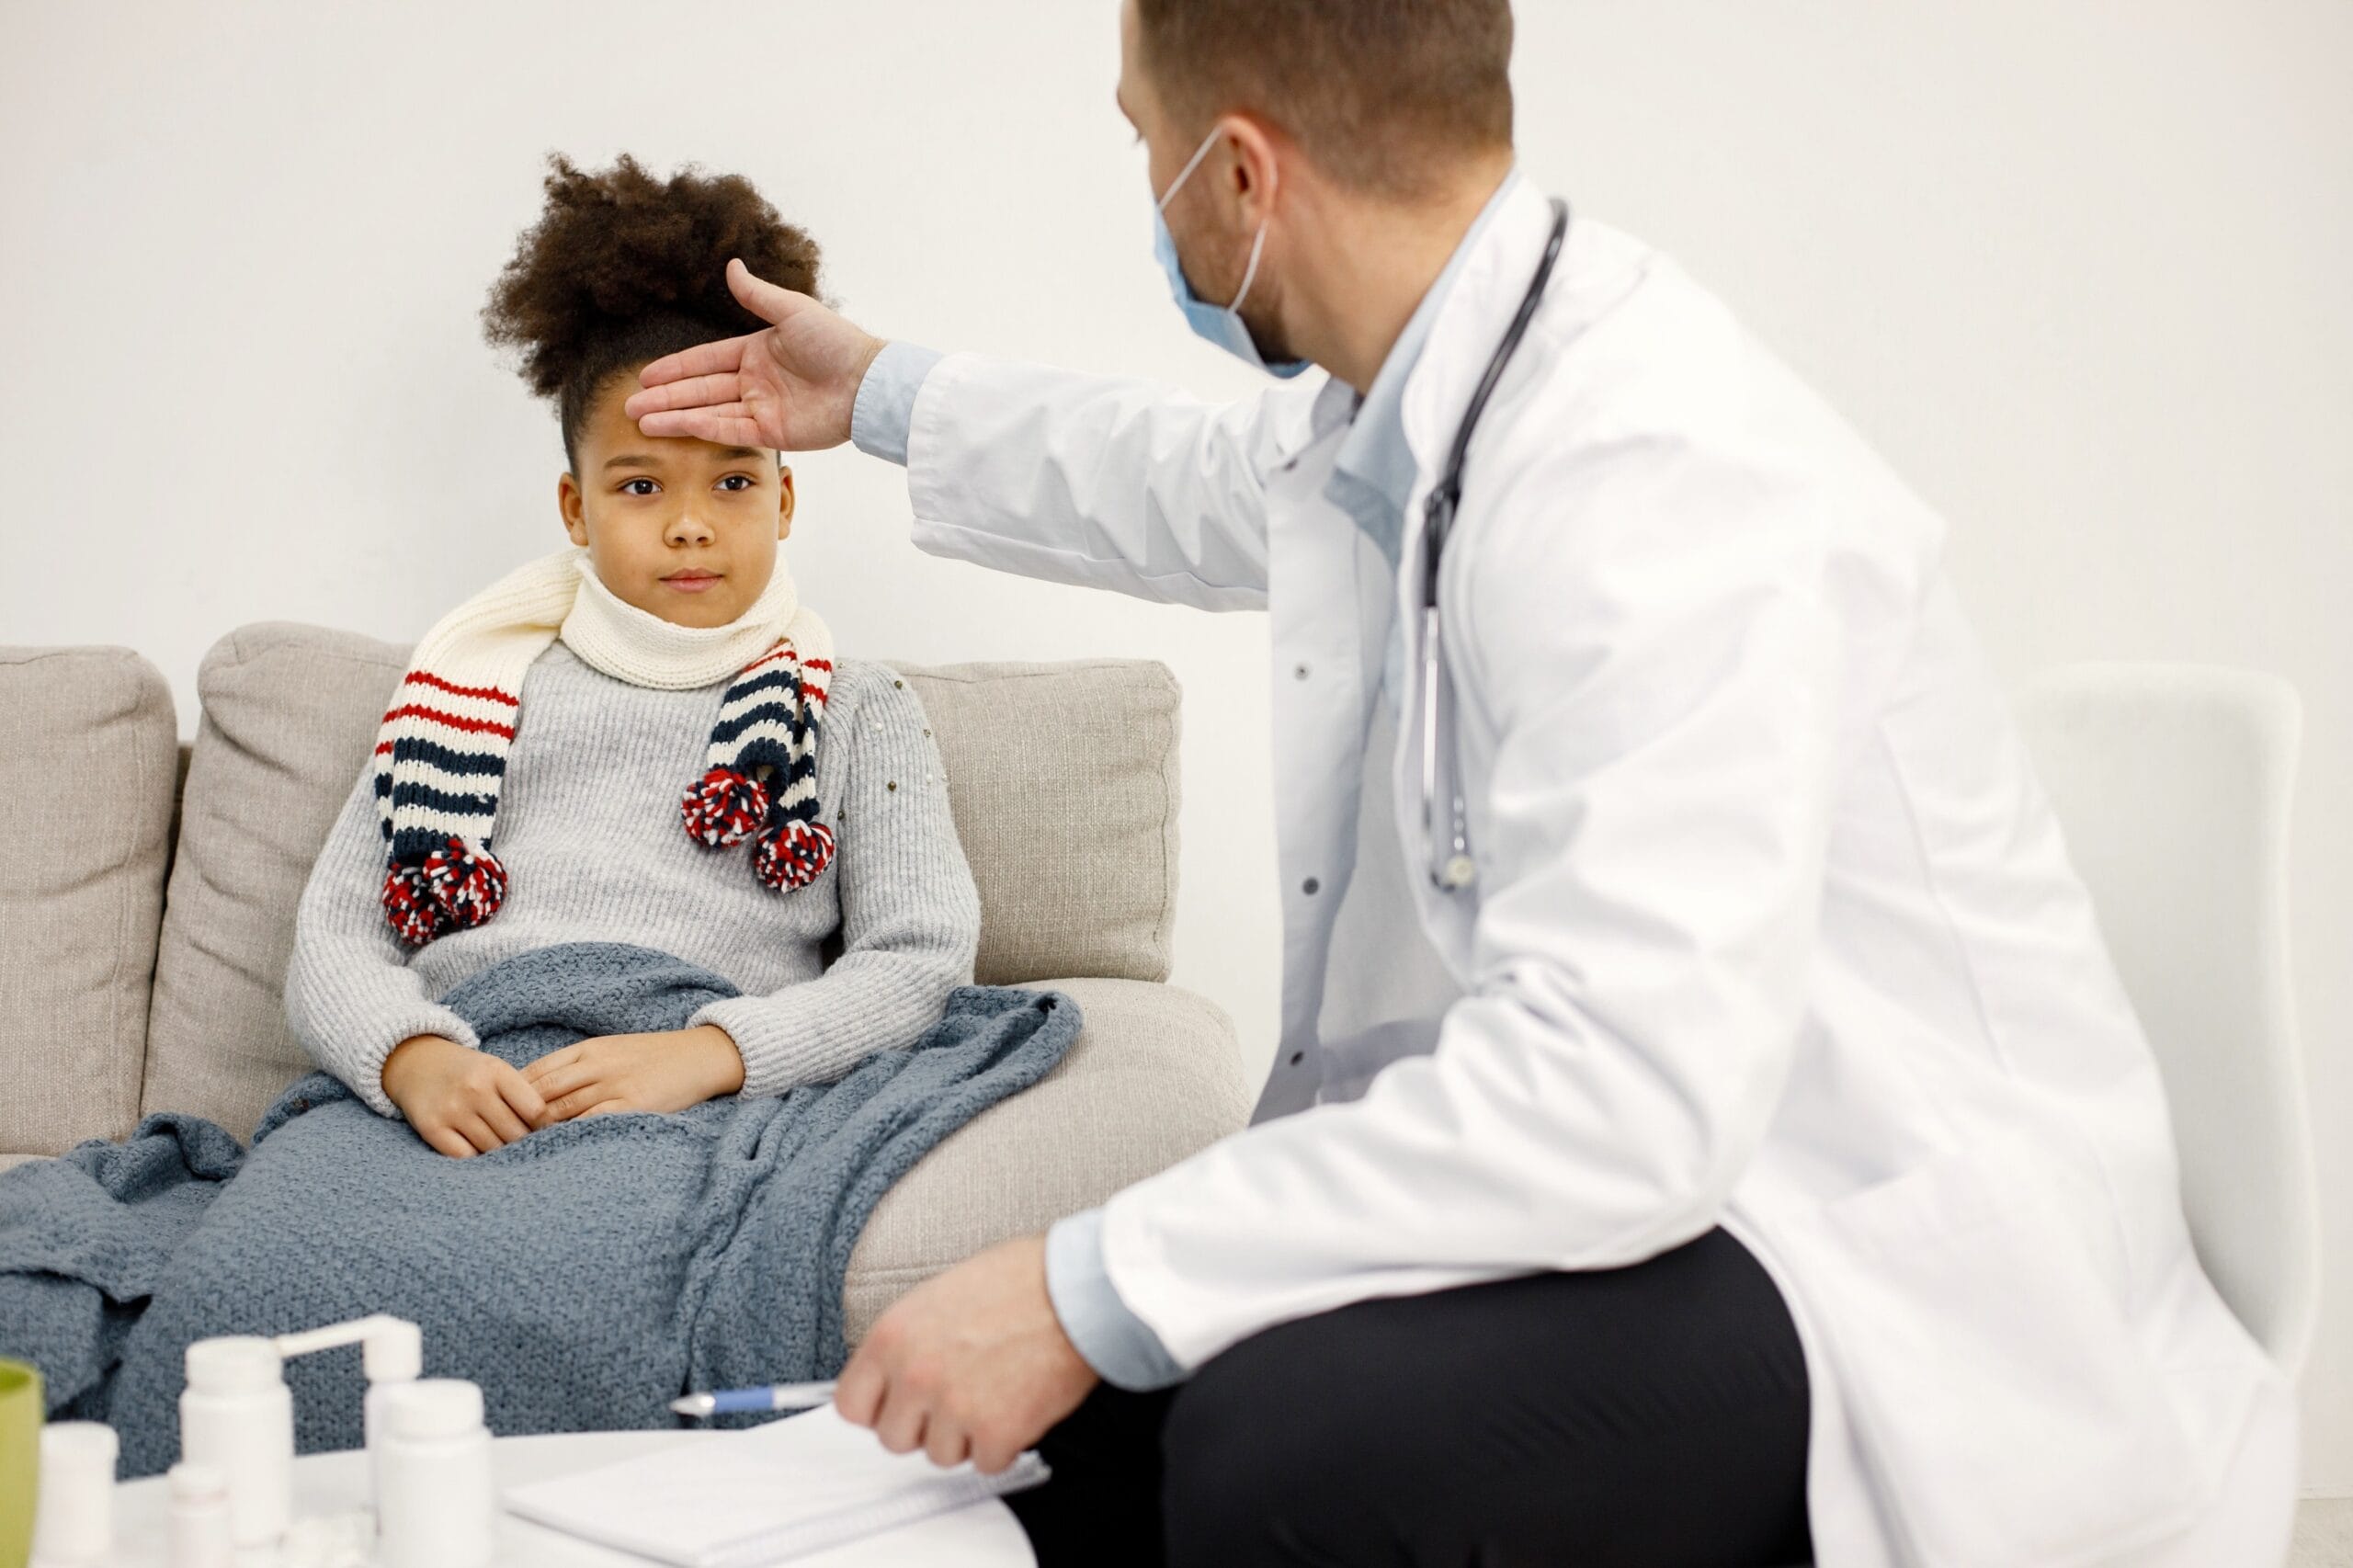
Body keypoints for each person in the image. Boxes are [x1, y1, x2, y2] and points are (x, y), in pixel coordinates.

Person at [623, 3, 2296, 1563]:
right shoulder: (1428, 404)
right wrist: (888, 394)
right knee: (1097, 1444)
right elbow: (1202, 482)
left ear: (1243, 174)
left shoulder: (1652, 475)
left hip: (1877, 1265)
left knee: (1281, 1452)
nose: (1150, 190)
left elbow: (1622, 1089)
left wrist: (1087, 1279)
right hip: (1693, 1178)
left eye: (1146, 142)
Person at [287, 152, 981, 1152]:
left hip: (696, 1099)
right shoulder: (465, 689)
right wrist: (411, 1056)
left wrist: (711, 1052)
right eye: (642, 486)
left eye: (732, 484)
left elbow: (919, 957)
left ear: (784, 500)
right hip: (467, 1081)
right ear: (576, 506)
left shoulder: (857, 710)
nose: (690, 525)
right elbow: (334, 936)